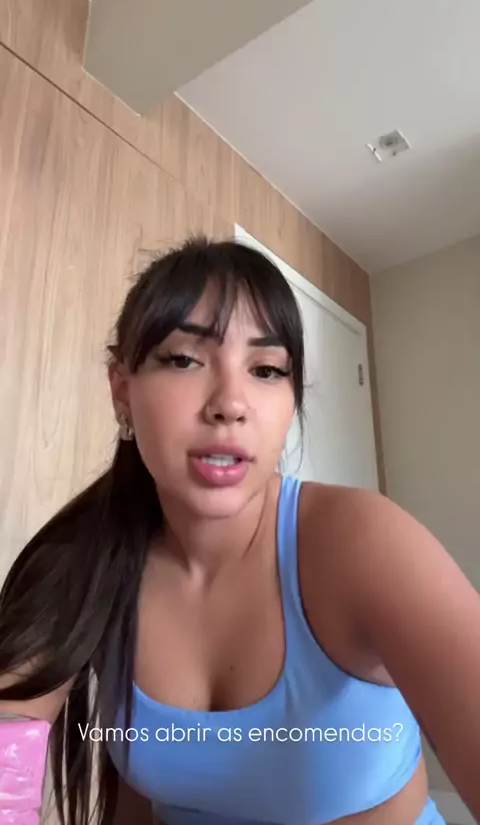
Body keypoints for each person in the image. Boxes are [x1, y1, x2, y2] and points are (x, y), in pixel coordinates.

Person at [0, 237, 479, 825]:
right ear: (121, 387)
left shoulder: (363, 544)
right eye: (184, 359)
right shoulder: (81, 563)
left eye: (266, 370)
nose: (230, 403)